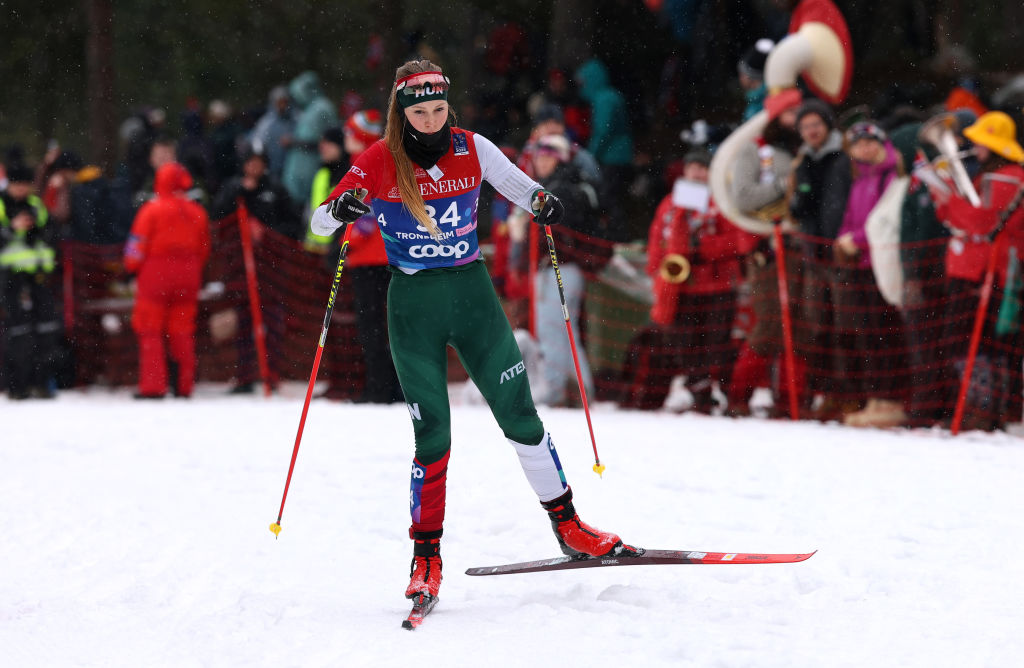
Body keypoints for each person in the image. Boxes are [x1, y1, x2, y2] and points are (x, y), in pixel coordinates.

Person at [309, 60, 637, 608]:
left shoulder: (472, 148)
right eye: (420, 111)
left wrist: (542, 203)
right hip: (413, 304)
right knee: (432, 434)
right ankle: (426, 558)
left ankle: (570, 526)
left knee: (520, 414)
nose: (433, 120)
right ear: (402, 112)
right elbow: (321, 222)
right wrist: (338, 209)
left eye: (439, 109)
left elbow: (521, 187)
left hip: (473, 297)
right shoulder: (380, 159)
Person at [620, 149, 756, 412]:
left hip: (717, 285)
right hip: (682, 288)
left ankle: (722, 393)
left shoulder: (722, 201)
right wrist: (656, 270)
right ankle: (699, 391)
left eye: (703, 168)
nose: (697, 173)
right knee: (684, 343)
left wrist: (701, 248)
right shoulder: (670, 203)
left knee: (716, 342)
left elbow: (737, 241)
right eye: (693, 167)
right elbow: (657, 238)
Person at [930, 111, 1024, 430]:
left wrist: (947, 197)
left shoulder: (1008, 177)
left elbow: (981, 223)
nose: (975, 147)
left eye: (981, 142)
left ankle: (983, 409)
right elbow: (957, 218)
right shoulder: (989, 175)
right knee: (967, 340)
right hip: (975, 268)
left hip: (991, 270)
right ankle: (976, 407)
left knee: (979, 342)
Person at [312, 114, 404, 404]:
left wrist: (345, 245)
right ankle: (387, 386)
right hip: (379, 255)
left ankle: (381, 388)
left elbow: (370, 213)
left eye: (350, 132)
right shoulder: (375, 160)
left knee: (373, 326)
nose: (345, 136)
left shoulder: (367, 163)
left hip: (372, 257)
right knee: (381, 325)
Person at [829, 121, 908, 427]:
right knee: (866, 333)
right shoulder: (859, 178)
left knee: (884, 332)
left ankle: (889, 398)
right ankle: (874, 398)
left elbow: (885, 220)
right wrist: (843, 237)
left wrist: (856, 240)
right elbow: (850, 215)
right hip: (859, 264)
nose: (865, 148)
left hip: (881, 262)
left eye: (870, 142)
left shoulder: (891, 175)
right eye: (859, 144)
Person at [211, 141, 301, 394]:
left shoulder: (276, 189)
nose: (254, 167)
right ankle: (245, 376)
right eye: (250, 162)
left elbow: (293, 226)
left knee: (273, 321)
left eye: (258, 162)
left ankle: (271, 373)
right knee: (242, 323)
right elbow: (217, 218)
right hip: (239, 269)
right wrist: (238, 194)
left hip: (271, 270)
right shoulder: (231, 188)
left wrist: (267, 233)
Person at [123, 162, 210, 399]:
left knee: (150, 330)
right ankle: (183, 386)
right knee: (182, 331)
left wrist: (130, 269)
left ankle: (153, 386)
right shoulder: (197, 212)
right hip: (189, 277)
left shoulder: (151, 210)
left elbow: (136, 246)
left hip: (155, 276)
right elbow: (204, 249)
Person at [528, 133, 603, 407]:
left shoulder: (562, 188)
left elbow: (562, 229)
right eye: (539, 155)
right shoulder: (558, 185)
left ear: (559, 159)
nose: (541, 161)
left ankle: (556, 390)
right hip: (557, 268)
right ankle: (583, 391)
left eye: (548, 156)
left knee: (552, 333)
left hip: (559, 268)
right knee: (563, 333)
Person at [788, 98, 851, 420]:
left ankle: (844, 394)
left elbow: (840, 204)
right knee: (815, 327)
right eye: (805, 126)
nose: (811, 131)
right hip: (814, 253)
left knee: (843, 326)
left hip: (839, 252)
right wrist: (800, 200)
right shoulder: (804, 162)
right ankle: (818, 392)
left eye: (816, 124)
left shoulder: (843, 158)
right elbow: (802, 205)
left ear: (827, 125)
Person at [0, 164, 60, 399]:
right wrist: (12, 229)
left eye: (26, 185)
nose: (22, 190)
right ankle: (17, 386)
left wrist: (38, 232)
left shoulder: (36, 205)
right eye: (18, 185)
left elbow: (52, 233)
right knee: (18, 331)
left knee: (45, 329)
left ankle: (42, 382)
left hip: (38, 277)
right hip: (10, 277)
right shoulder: (3, 205)